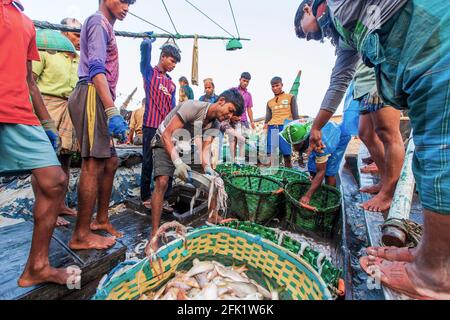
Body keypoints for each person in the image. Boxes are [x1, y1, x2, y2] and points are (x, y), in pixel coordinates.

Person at [295, 0, 450, 299]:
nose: (311, 38)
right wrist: (316, 126)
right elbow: (339, 81)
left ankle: (437, 274)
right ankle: (430, 254)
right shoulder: (345, 34)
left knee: (438, 149)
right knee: (432, 150)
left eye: (305, 32)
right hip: (416, 51)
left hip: (431, 38)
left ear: (306, 10)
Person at [0, 0, 71, 287]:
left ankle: (37, 266)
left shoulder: (24, 20)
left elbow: (29, 78)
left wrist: (46, 124)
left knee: (54, 180)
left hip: (19, 112)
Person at [68, 0, 135, 250]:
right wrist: (111, 110)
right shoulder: (98, 22)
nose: (127, 6)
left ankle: (101, 220)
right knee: (93, 163)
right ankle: (80, 235)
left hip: (100, 96)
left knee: (111, 161)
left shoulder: (107, 26)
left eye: (131, 2)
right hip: (92, 93)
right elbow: (96, 69)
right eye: (123, 0)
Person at [146, 89, 244, 253]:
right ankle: (154, 234)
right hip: (163, 141)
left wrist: (207, 168)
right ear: (221, 101)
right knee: (162, 181)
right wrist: (177, 163)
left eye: (233, 114)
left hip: (185, 145)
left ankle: (213, 215)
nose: (229, 116)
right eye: (230, 110)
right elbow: (167, 135)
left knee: (213, 179)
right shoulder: (192, 107)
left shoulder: (215, 124)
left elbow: (205, 150)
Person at [32, 17, 82, 227]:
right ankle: (45, 209)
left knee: (65, 159)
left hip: (70, 107)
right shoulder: (46, 52)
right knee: (45, 161)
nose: (80, 39)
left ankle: (59, 205)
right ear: (63, 34)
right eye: (75, 35)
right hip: (47, 105)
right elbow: (30, 82)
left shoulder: (79, 60)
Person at [352, 61, 405, 213]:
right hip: (362, 85)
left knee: (387, 132)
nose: (307, 37)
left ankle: (389, 192)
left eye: (304, 34)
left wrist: (379, 81)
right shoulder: (346, 40)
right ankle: (384, 181)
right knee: (365, 134)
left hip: (378, 78)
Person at [140, 36, 180, 211]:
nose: (173, 65)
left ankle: (164, 197)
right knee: (148, 162)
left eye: (175, 63)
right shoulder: (149, 73)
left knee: (168, 162)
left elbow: (173, 109)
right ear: (163, 56)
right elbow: (144, 56)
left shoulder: (171, 84)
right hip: (150, 125)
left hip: (166, 129)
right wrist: (146, 42)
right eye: (171, 61)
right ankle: (145, 196)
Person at [281, 121, 351, 205]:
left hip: (339, 137)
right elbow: (301, 145)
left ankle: (330, 198)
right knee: (312, 167)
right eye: (292, 145)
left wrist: (307, 196)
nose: (293, 147)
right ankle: (315, 189)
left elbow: (321, 172)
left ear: (303, 141)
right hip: (323, 132)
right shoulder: (299, 128)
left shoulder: (321, 146)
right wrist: (300, 156)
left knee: (329, 172)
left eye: (296, 145)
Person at [264, 77, 299, 168]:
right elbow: (267, 118)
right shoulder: (269, 102)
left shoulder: (290, 97)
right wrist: (265, 126)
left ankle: (289, 176)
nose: (275, 88)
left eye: (277, 85)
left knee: (287, 155)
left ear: (282, 85)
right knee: (270, 154)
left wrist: (296, 129)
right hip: (272, 127)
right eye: (273, 86)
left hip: (284, 128)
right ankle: (271, 176)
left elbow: (295, 115)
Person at [231, 72, 255, 162]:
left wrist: (252, 121)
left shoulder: (248, 95)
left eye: (247, 82)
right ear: (240, 79)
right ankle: (232, 162)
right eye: (244, 80)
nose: (245, 83)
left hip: (244, 121)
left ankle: (241, 162)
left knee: (242, 142)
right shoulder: (233, 90)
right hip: (233, 120)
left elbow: (249, 109)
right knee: (233, 141)